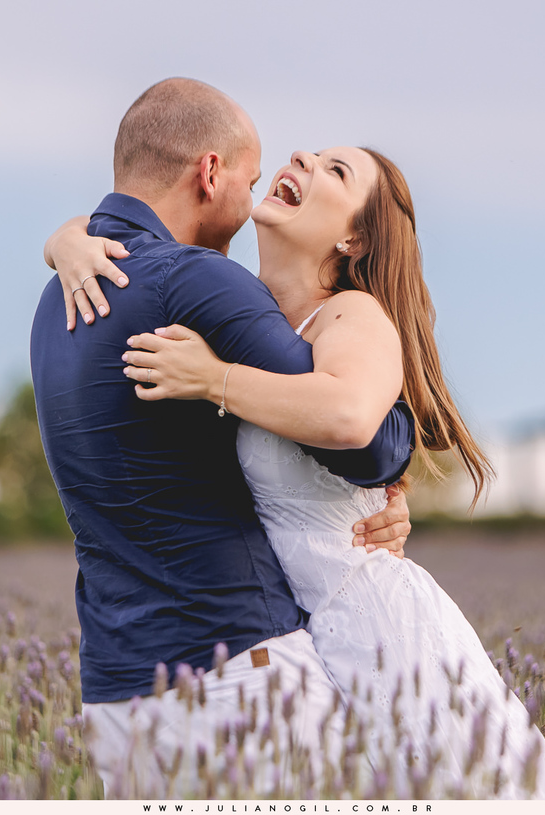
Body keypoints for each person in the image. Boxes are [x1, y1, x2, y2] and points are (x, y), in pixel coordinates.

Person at [50, 142, 545, 797]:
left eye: (336, 171)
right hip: (310, 638)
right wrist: (66, 242)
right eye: (311, 155)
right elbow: (129, 227)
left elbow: (351, 417)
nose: (303, 159)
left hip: (381, 629)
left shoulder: (351, 314)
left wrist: (214, 380)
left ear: (354, 239)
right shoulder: (248, 318)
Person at [30, 78, 417, 798]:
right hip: (236, 674)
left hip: (115, 700)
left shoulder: (59, 296)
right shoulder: (198, 281)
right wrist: (397, 466)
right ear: (210, 173)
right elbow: (361, 440)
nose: (256, 191)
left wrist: (61, 240)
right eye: (250, 175)